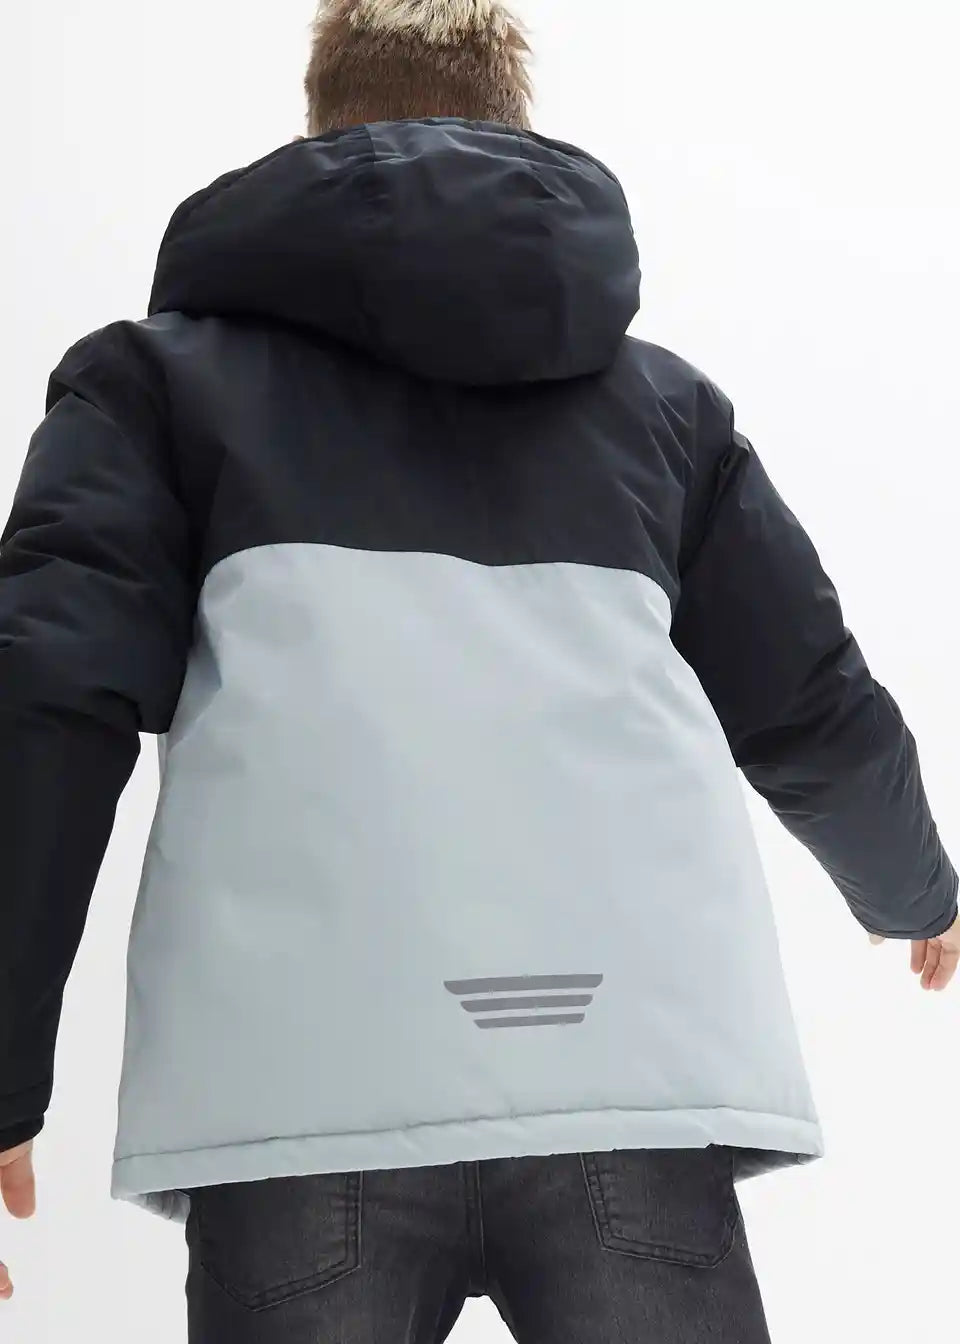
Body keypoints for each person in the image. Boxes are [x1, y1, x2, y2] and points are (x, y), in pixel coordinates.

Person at [1, 1, 956, 1338]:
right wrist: (911, 884)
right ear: (515, 131)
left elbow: (48, 701)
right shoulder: (666, 412)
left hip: (302, 1088)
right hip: (627, 1071)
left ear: (320, 129)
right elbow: (807, 695)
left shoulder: (152, 387)